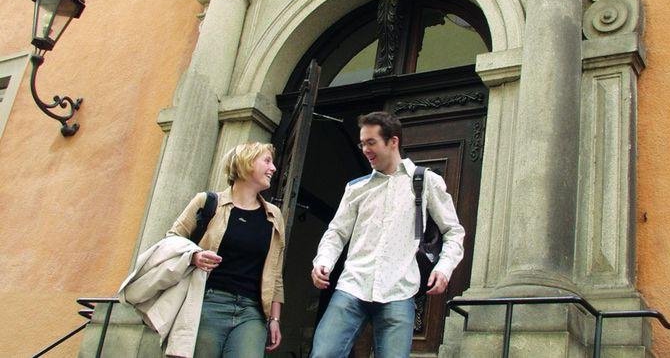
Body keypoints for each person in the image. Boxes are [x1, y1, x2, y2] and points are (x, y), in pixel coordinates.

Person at [309, 111, 465, 358]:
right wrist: (323, 262)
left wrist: (444, 268)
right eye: (362, 143)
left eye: (371, 142)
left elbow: (453, 231)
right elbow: (336, 233)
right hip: (352, 287)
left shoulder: (426, 181)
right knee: (323, 354)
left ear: (393, 142)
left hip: (399, 291)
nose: (364, 149)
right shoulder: (356, 188)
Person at [167, 142, 285, 358]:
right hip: (207, 304)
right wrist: (194, 256)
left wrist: (274, 319)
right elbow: (172, 239)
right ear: (246, 163)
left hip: (252, 312)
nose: (273, 168)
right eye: (267, 161)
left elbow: (275, 273)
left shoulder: (274, 216)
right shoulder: (208, 202)